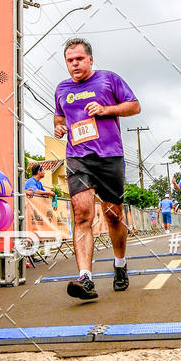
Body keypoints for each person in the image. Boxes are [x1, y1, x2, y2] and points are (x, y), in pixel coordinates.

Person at [54, 38, 140, 301]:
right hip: (78, 158)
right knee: (82, 215)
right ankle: (86, 278)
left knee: (113, 215)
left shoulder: (108, 79)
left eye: (79, 59)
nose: (75, 64)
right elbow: (59, 117)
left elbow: (134, 106)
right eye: (70, 60)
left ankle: (120, 263)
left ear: (90, 59)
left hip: (109, 156)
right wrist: (59, 127)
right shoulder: (62, 89)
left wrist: (106, 110)